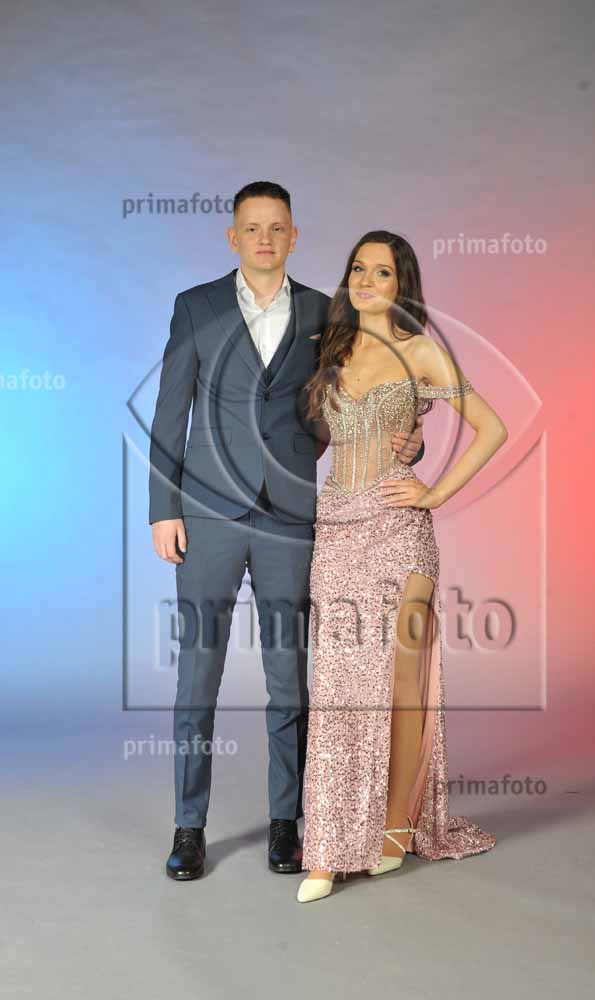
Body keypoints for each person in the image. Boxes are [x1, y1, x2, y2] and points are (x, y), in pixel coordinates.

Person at [148, 184, 426, 880]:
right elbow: (169, 412)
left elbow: (350, 401)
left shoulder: (322, 314)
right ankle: (188, 827)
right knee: (197, 678)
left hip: (291, 517)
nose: (265, 238)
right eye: (252, 228)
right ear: (233, 237)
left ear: (294, 236)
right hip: (207, 515)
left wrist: (406, 439)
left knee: (289, 679)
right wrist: (163, 509)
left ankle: (285, 823)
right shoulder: (196, 306)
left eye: (277, 228)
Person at [297, 230, 508, 902]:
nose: (365, 281)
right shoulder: (328, 349)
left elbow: (493, 428)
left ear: (400, 285)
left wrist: (434, 490)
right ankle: (331, 843)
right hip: (336, 530)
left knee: (402, 683)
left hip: (399, 531)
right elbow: (320, 438)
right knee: (338, 687)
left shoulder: (421, 351)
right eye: (357, 269)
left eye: (381, 272)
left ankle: (393, 829)